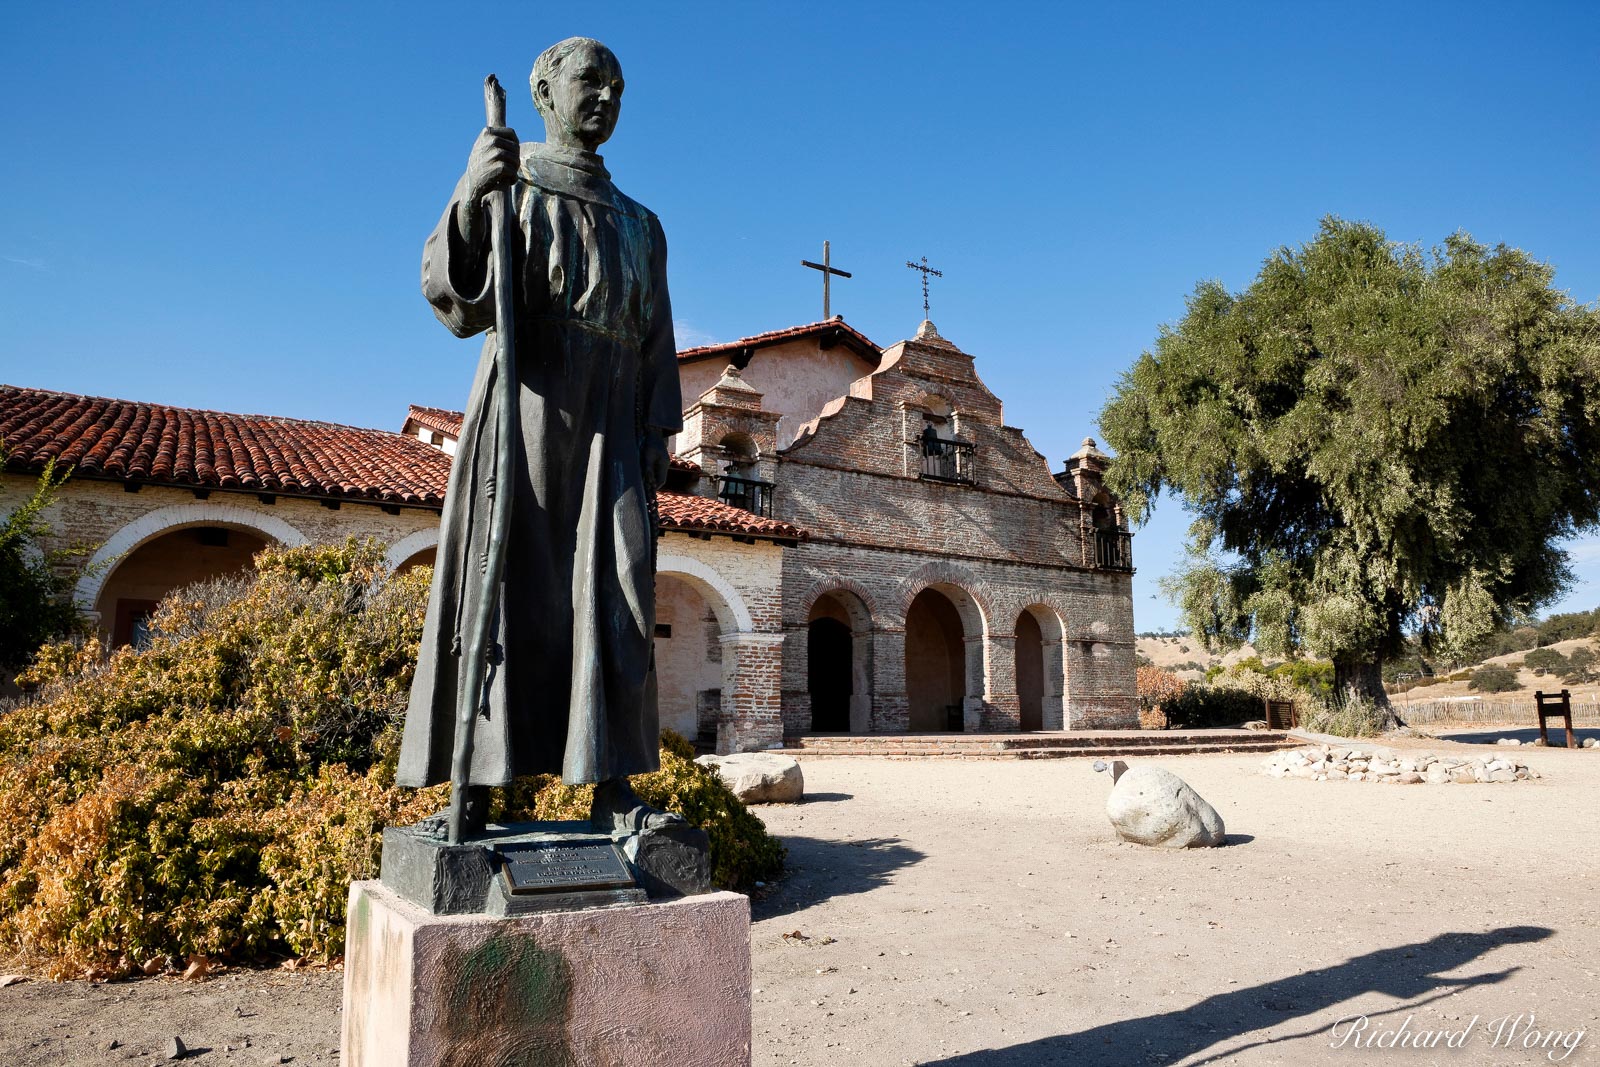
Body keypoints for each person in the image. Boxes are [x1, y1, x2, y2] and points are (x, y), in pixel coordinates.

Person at [396, 37, 684, 835]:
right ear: (543, 91)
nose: (607, 96)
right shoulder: (509, 189)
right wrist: (467, 193)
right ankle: (478, 785)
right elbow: (457, 301)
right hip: (524, 419)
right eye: (591, 79)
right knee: (504, 588)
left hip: (611, 433)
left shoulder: (644, 226)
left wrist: (660, 427)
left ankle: (613, 784)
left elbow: (657, 338)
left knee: (619, 591)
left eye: (619, 86)